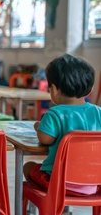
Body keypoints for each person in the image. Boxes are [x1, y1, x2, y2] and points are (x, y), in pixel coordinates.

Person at [23, 54, 101, 196]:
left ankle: (44, 205)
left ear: (53, 89)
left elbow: (45, 139)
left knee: (28, 167)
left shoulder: (54, 113)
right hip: (94, 183)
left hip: (58, 182)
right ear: (90, 90)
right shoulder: (99, 112)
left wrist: (38, 127)